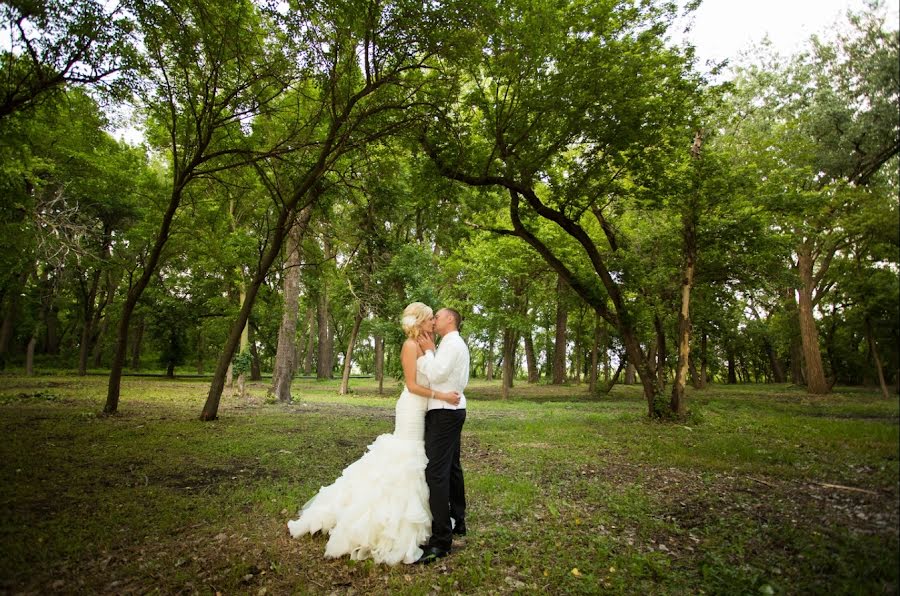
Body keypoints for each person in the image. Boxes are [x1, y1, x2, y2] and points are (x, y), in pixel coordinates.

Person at [286, 302, 460, 565]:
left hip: (427, 410)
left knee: (420, 461)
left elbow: (435, 372)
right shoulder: (410, 346)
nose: (432, 323)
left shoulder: (426, 345)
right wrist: (442, 395)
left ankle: (428, 521)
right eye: (428, 320)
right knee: (406, 459)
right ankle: (386, 520)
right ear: (419, 322)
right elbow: (412, 386)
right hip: (412, 409)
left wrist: (433, 354)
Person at [415, 307, 470, 564]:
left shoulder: (451, 344)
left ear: (450, 319)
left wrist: (427, 351)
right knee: (451, 468)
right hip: (454, 409)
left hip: (445, 412)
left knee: (435, 472)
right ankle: (458, 520)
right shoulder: (454, 344)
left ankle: (441, 541)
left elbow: (435, 374)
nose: (434, 320)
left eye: (437, 316)